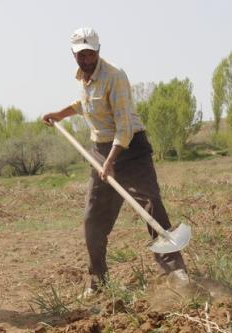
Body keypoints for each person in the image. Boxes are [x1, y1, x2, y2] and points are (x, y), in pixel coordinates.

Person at [42, 27, 187, 296]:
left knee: (151, 204)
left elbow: (124, 130)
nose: (85, 59)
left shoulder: (115, 76)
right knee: (92, 219)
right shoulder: (83, 77)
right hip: (100, 151)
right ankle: (98, 279)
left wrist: (110, 162)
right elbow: (83, 103)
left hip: (130, 150)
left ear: (98, 51)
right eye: (80, 55)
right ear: (73, 55)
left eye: (89, 54)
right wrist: (60, 114)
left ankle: (175, 270)